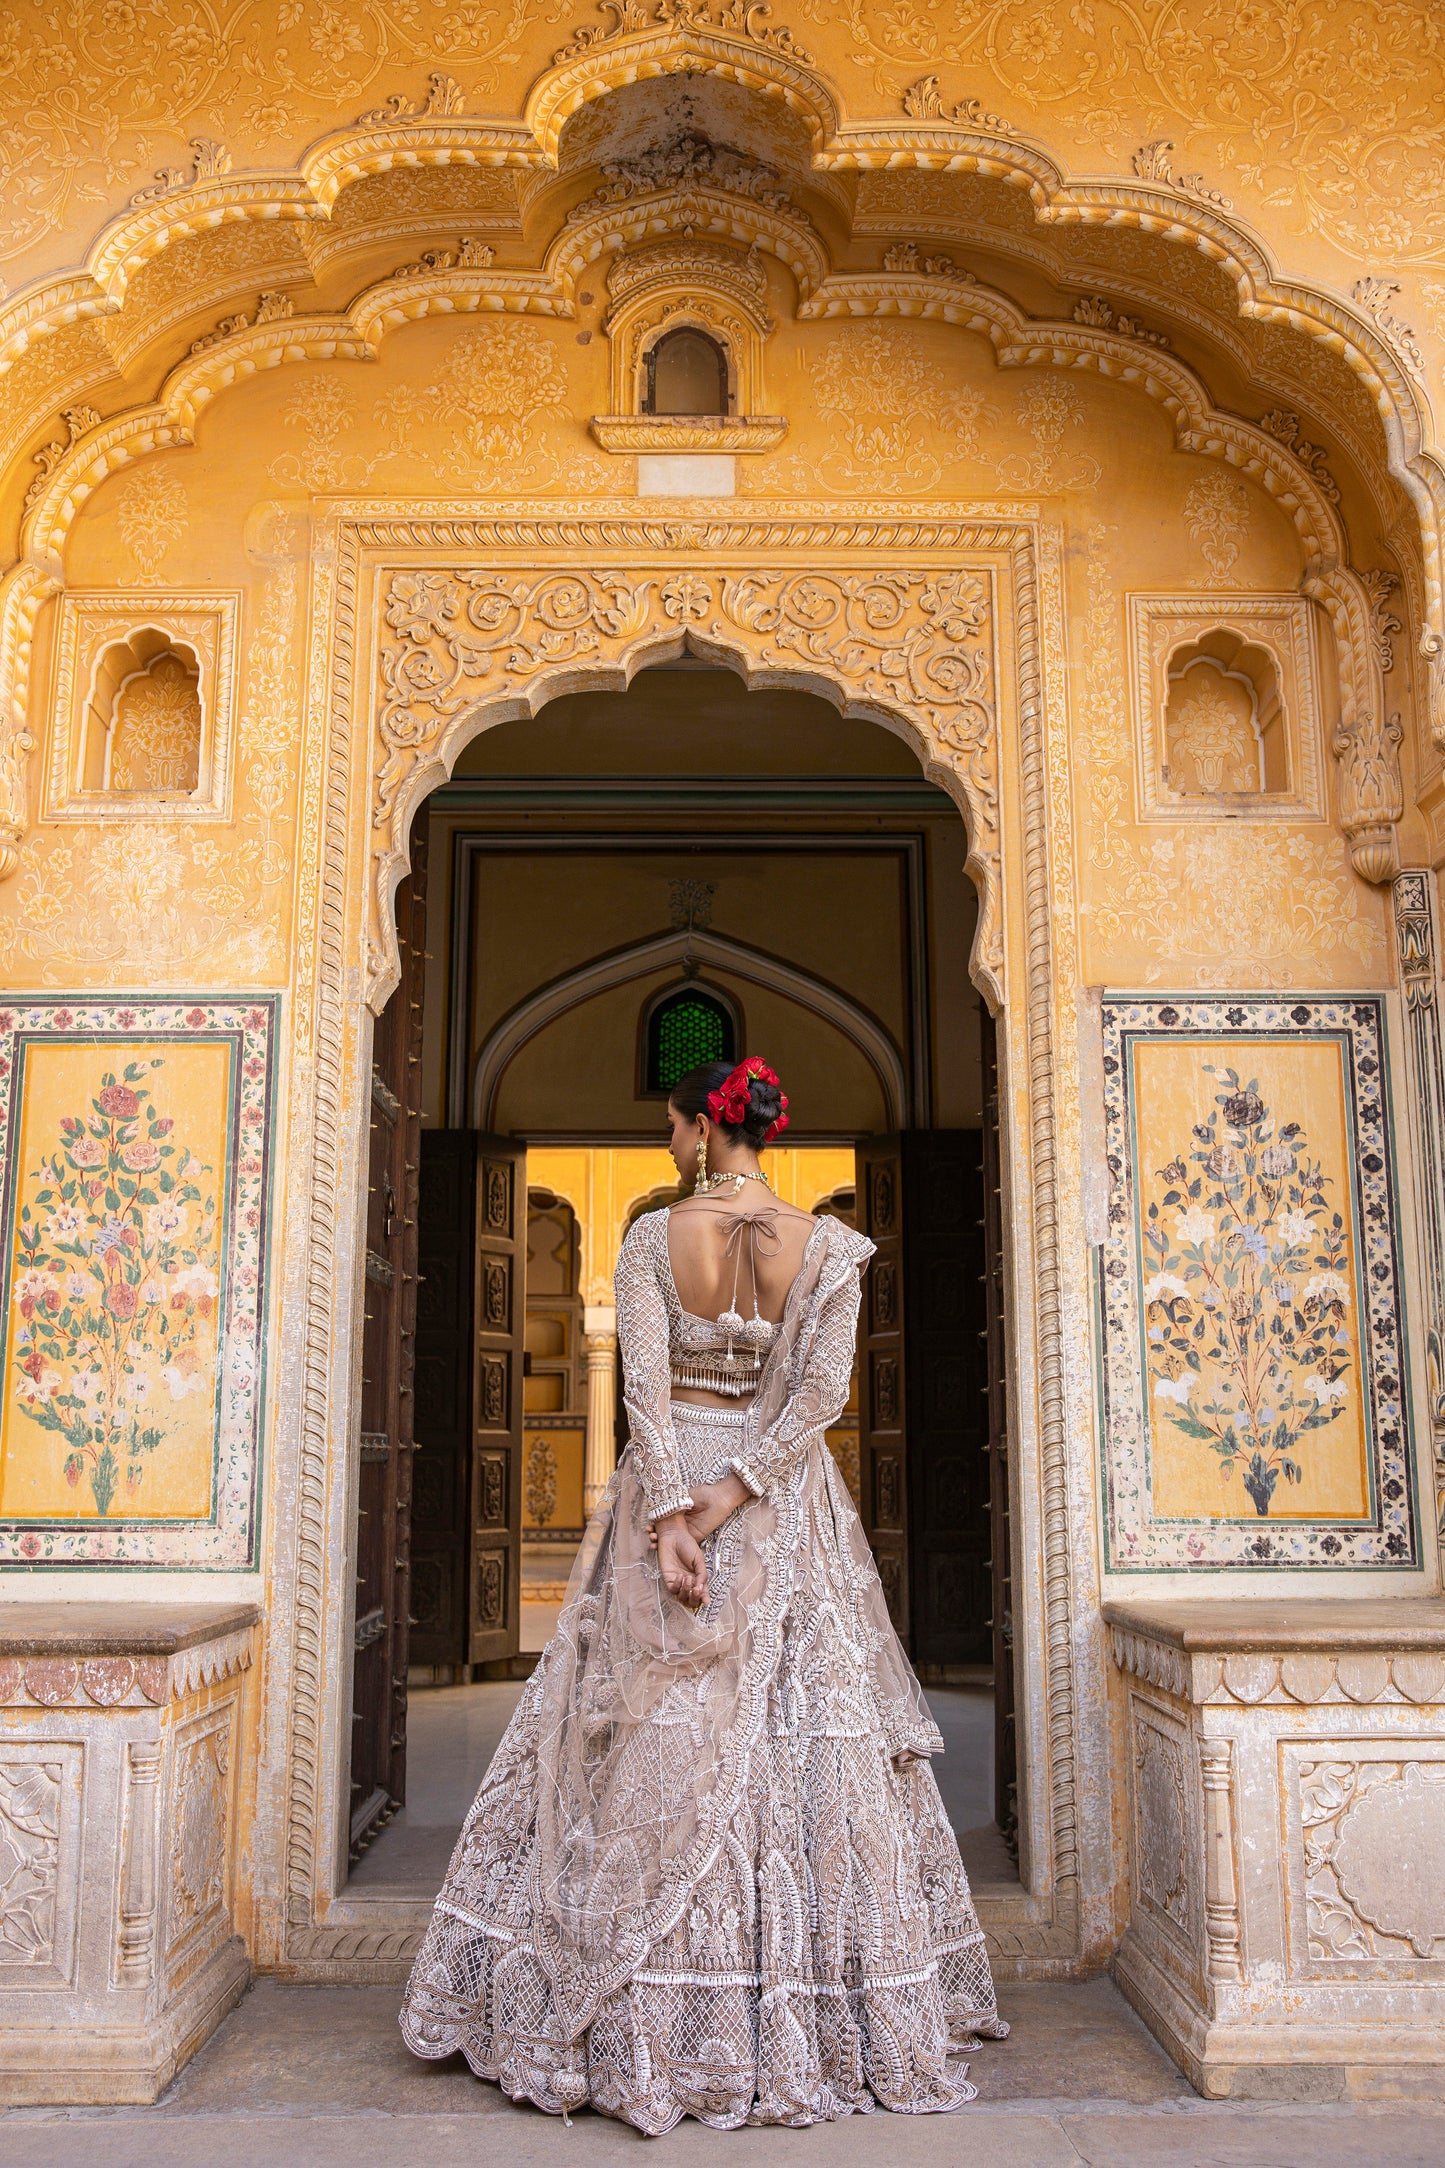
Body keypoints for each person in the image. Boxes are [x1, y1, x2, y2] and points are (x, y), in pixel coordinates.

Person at [400, 1057, 1006, 2131]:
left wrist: (672, 1512)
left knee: (637, 1736)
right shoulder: (829, 1248)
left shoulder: (648, 1238)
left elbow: (643, 1387)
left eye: (673, 1127)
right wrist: (731, 1498)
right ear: (764, 1132)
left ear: (697, 1127)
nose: (671, 1144)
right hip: (778, 1509)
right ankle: (813, 2015)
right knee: (800, 1742)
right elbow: (820, 1394)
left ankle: (627, 2012)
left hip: (671, 1500)